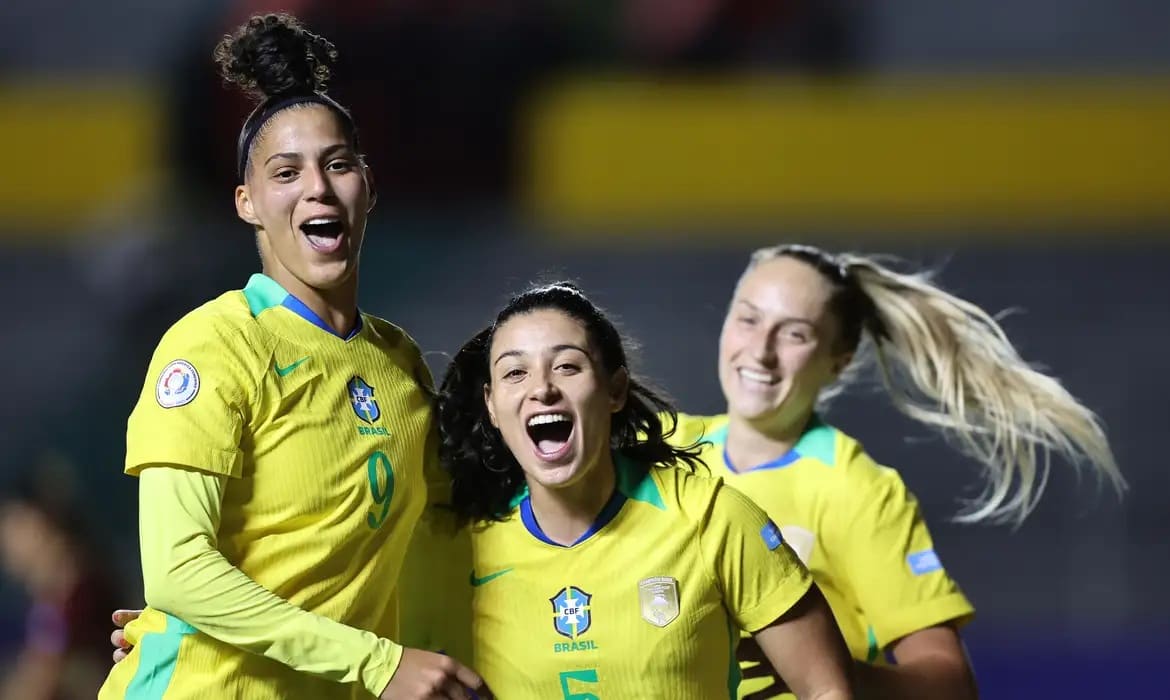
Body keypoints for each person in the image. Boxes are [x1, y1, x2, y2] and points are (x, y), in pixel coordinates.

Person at [98, 13, 484, 700]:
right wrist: (378, 663)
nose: (317, 187)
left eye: (337, 164)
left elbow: (451, 529)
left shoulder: (398, 361)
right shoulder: (215, 344)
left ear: (368, 187)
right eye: (286, 172)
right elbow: (178, 572)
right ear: (247, 203)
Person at [670, 243, 1123, 699]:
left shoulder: (858, 490)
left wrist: (818, 669)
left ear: (839, 360)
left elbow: (952, 687)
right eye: (748, 319)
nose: (761, 351)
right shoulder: (667, 451)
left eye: (795, 334)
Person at [435, 281, 854, 698]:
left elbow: (827, 691)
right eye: (515, 373)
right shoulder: (466, 548)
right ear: (492, 405)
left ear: (615, 390)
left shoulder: (712, 518)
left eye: (567, 366)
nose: (542, 389)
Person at [0, 458, 120, 700]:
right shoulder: (56, 596)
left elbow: (41, 683)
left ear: (45, 522)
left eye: (15, 526)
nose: (7, 544)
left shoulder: (79, 594)